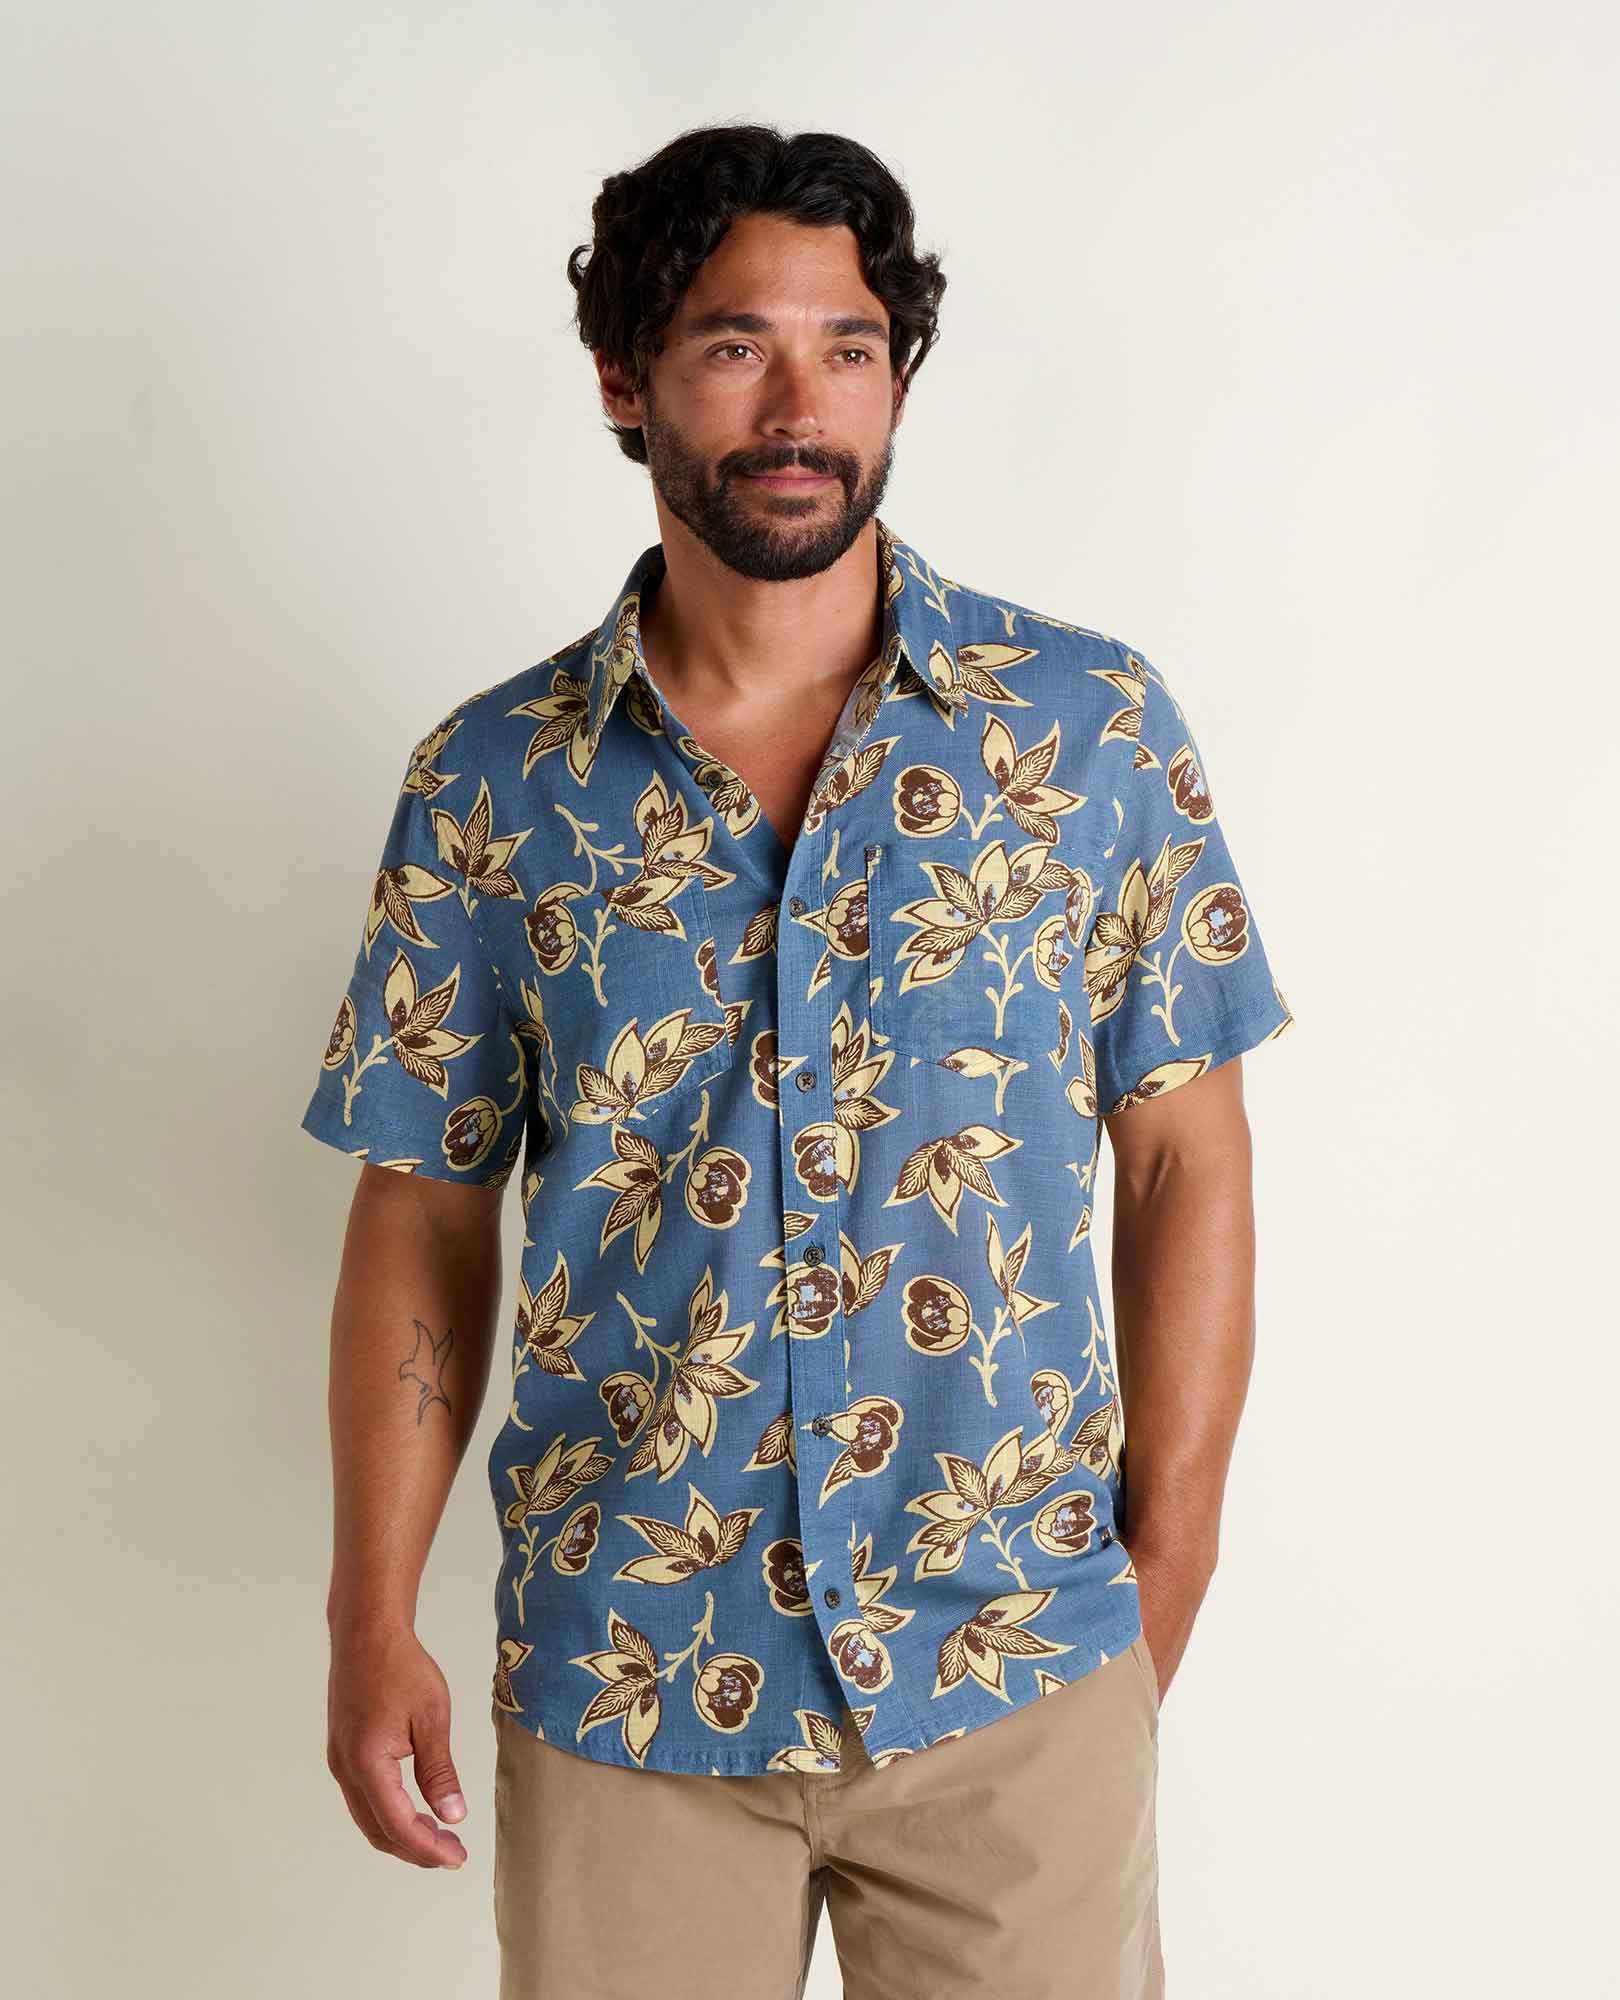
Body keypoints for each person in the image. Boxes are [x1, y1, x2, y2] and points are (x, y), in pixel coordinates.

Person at [303, 121, 1296, 2000]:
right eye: (733, 346)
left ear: (898, 377)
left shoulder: (1084, 734)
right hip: (629, 1679)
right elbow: (421, 1207)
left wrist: (1168, 1565)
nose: (798, 406)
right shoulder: (494, 785)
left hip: (1014, 1667)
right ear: (627, 380)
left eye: (848, 348)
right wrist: (370, 1614)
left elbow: (1188, 1157)